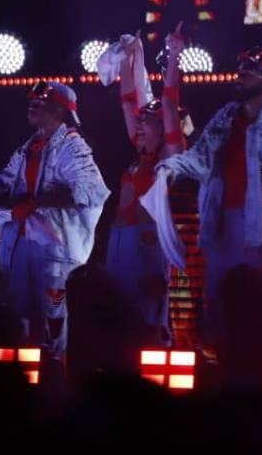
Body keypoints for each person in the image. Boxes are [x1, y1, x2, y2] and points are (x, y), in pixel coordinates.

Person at [156, 48, 262, 342]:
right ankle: (222, 364)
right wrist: (171, 166)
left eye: (249, 72)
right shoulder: (226, 117)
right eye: (240, 71)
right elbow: (200, 157)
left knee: (258, 310)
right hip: (220, 226)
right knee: (218, 306)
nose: (240, 75)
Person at [0, 80, 109, 357]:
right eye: (32, 101)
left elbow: (91, 190)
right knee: (20, 320)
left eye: (42, 102)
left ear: (61, 111)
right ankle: (22, 375)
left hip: (56, 250)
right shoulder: (28, 148)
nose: (33, 105)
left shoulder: (72, 146)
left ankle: (54, 372)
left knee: (53, 324)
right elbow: (4, 181)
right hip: (20, 245)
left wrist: (38, 202)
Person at [105, 29, 187, 344]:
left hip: (147, 245)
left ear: (164, 126)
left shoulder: (170, 157)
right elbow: (128, 102)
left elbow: (169, 103)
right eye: (139, 121)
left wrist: (174, 57)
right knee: (120, 321)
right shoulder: (141, 155)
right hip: (120, 243)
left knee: (148, 321)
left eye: (147, 120)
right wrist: (128, 59)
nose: (138, 124)